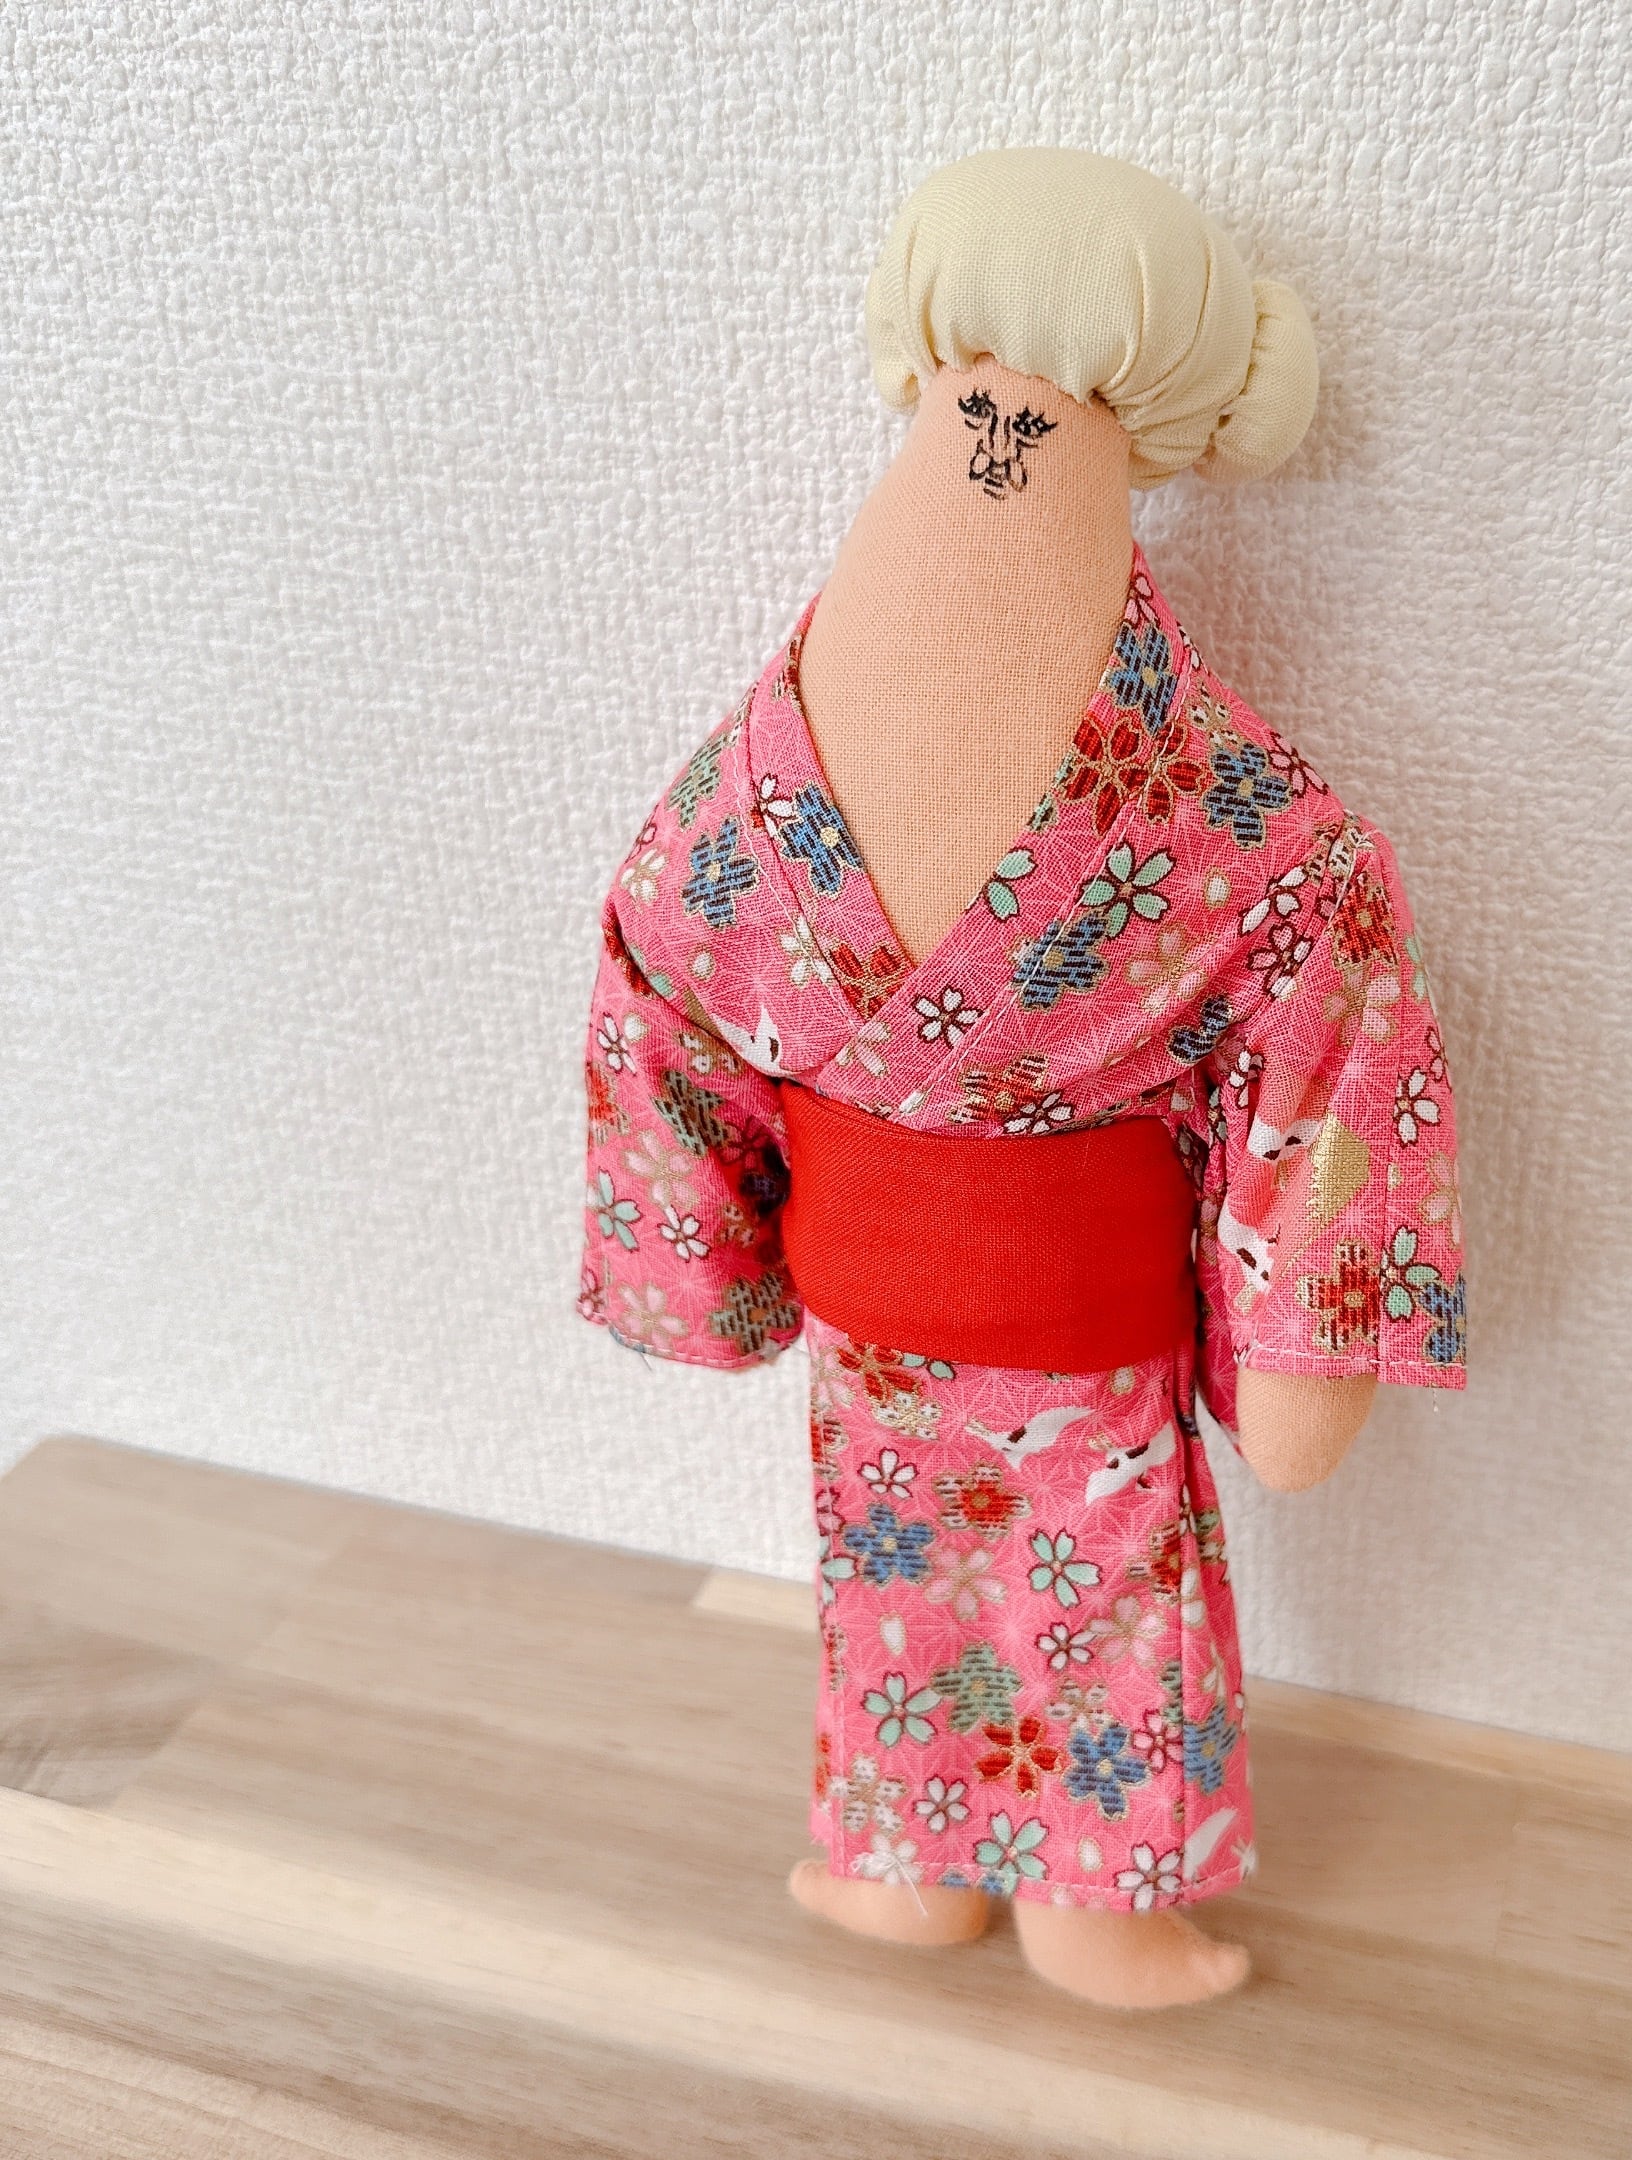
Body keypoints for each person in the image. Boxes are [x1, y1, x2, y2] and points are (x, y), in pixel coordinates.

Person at [579, 147, 1464, 2008]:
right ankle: (977, 1880)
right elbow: (1320, 980)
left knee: (953, 1574)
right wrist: (1303, 1336)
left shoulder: (772, 775)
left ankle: (1028, 1892)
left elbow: (672, 932)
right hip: (969, 1326)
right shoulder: (1227, 817)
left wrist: (697, 1251)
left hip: (1015, 1323)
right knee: (1014, 1580)